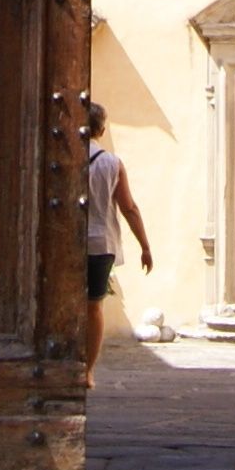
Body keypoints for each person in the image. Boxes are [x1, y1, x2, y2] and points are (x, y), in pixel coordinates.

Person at [79, 97, 152, 375]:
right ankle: (88, 371)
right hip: (101, 244)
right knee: (94, 307)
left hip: (68, 242)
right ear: (101, 129)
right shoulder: (112, 163)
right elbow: (129, 208)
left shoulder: (63, 157)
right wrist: (145, 246)